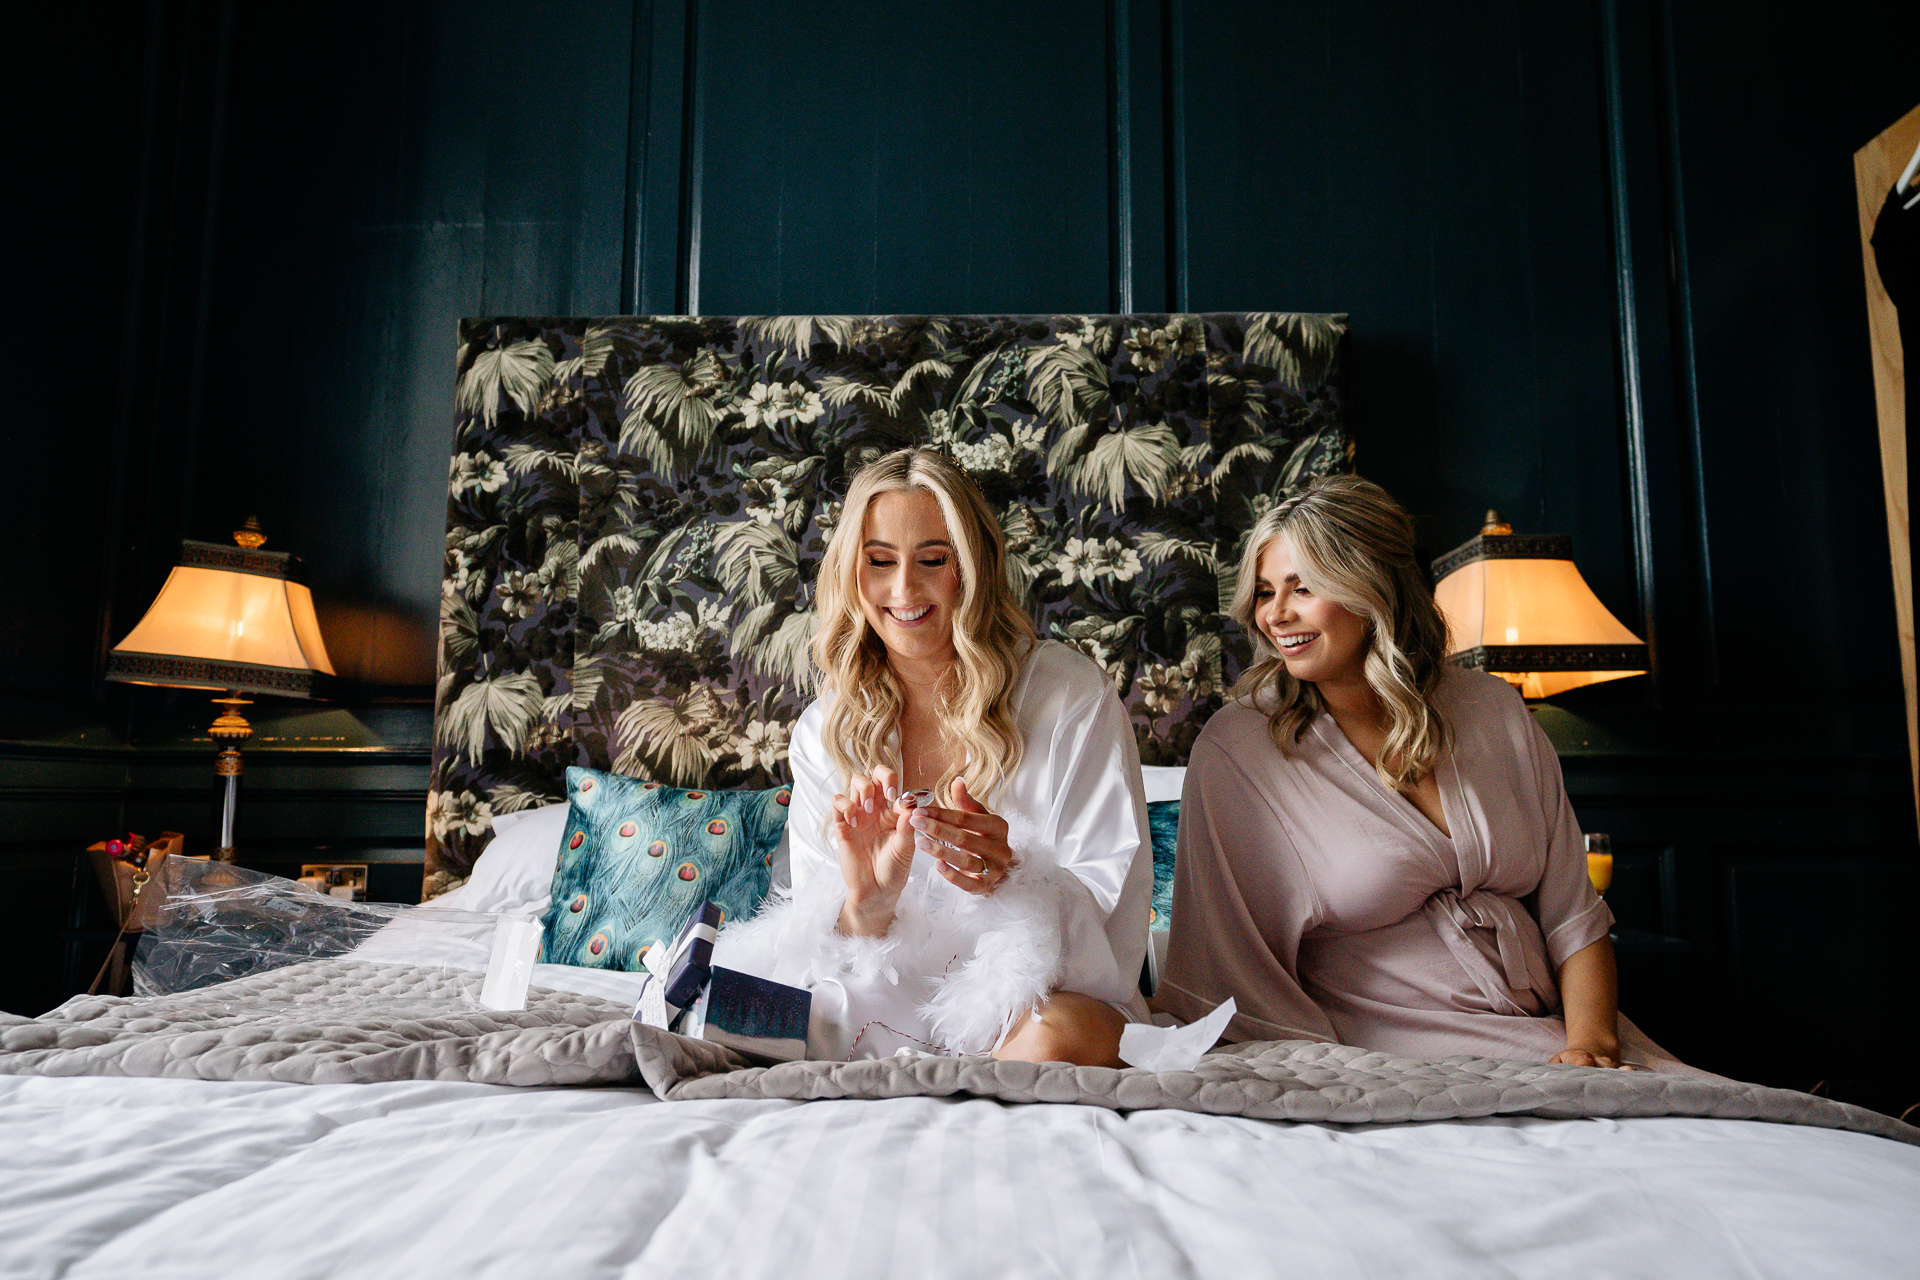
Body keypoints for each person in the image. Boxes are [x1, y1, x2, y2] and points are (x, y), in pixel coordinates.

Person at [1155, 475, 1702, 1073]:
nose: (1276, 615)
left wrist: (1593, 1047)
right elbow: (1234, 973)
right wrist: (1327, 1083)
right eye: (1263, 593)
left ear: (1372, 590)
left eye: (1303, 588)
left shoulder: (1493, 710)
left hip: (1558, 1039)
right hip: (1380, 1058)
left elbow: (1574, 916)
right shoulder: (1241, 750)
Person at [717, 448, 1152, 1064]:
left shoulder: (1068, 695)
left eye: (932, 559)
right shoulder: (825, 729)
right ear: (851, 572)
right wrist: (867, 907)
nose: (903, 590)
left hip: (1044, 1007)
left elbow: (1117, 909)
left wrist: (1014, 876)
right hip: (885, 1016)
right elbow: (818, 945)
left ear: (971, 568)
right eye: (879, 561)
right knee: (740, 1027)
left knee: (1054, 1037)